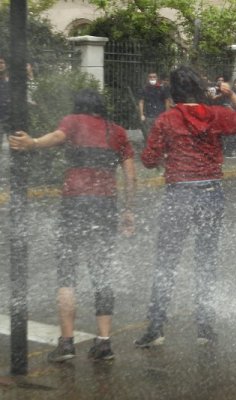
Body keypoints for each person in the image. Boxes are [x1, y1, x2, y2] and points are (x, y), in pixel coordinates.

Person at [8, 88, 137, 362]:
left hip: (75, 204)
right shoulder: (116, 131)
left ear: (79, 105)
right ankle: (104, 343)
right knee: (102, 271)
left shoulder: (73, 121)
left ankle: (66, 343)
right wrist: (128, 210)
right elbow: (130, 174)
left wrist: (32, 143)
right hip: (105, 206)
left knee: (67, 272)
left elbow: (57, 137)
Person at [134, 66, 236, 348]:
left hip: (178, 194)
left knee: (166, 261)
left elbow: (149, 159)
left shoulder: (166, 119)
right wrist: (231, 96)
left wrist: (166, 158)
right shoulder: (215, 115)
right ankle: (204, 326)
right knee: (206, 260)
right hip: (210, 192)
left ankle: (155, 327)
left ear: (173, 92)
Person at [138, 71, 170, 142]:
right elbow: (141, 102)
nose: (152, 78)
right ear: (148, 78)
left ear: (157, 78)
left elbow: (167, 101)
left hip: (161, 116)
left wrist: (167, 114)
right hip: (149, 116)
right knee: (150, 136)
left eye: (154, 77)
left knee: (161, 136)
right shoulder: (144, 89)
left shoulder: (162, 88)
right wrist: (141, 115)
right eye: (150, 77)